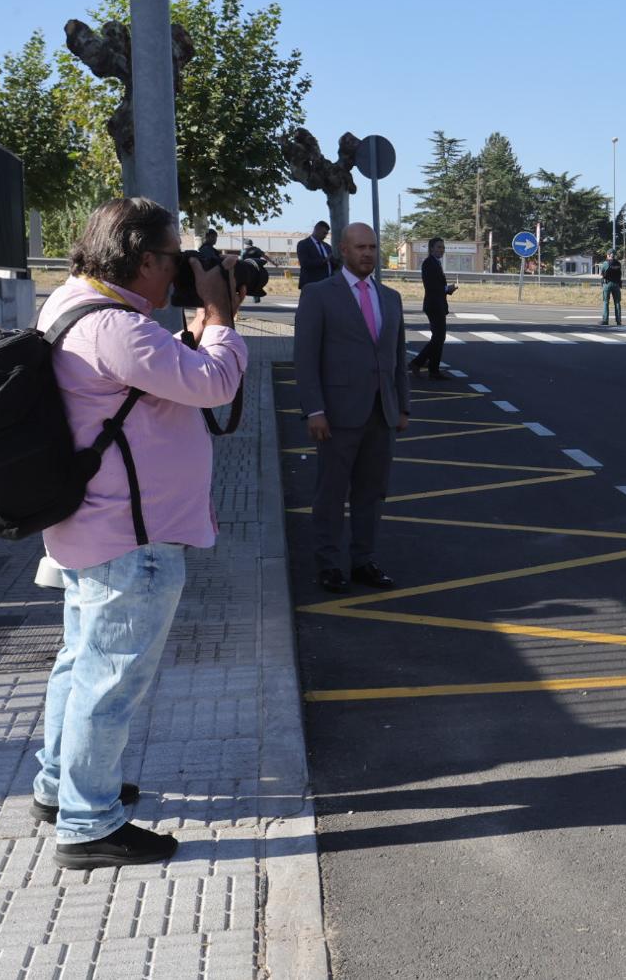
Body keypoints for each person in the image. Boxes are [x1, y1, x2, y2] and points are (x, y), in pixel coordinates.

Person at [32, 197, 247, 868]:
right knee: (110, 680)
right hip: (131, 538)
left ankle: (60, 783)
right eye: (175, 255)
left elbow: (147, 387)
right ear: (146, 258)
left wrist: (186, 330)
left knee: (80, 662)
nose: (182, 265)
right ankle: (88, 821)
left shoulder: (74, 300)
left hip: (94, 526)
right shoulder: (118, 328)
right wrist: (220, 317)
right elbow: (213, 383)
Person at [295, 222, 410, 595]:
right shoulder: (318, 295)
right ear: (342, 250)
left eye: (373, 247)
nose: (368, 254)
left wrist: (402, 407)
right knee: (331, 493)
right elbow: (306, 358)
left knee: (371, 492)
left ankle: (363, 560)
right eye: (360, 247)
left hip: (382, 413)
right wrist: (314, 409)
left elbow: (396, 357)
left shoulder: (390, 297)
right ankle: (328, 564)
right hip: (337, 414)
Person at [409, 237, 453, 379]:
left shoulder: (435, 263)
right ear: (431, 248)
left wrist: (447, 289)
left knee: (438, 337)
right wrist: (447, 288)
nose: (442, 250)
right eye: (439, 247)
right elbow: (432, 286)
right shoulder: (429, 263)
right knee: (439, 338)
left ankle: (432, 369)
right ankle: (419, 363)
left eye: (443, 247)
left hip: (437, 304)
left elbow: (437, 286)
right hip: (433, 304)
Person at [296, 220, 333, 289]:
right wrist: (324, 260)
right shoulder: (303, 244)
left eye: (326, 234)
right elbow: (305, 263)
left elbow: (332, 264)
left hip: (327, 285)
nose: (325, 236)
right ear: (317, 229)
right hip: (311, 285)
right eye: (324, 233)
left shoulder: (327, 246)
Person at [600, 256, 623, 325]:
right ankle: (618, 321)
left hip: (607, 284)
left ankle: (605, 320)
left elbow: (601, 274)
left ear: (608, 255)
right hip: (616, 284)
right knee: (617, 303)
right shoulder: (618, 263)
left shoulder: (605, 263)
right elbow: (619, 273)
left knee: (606, 302)